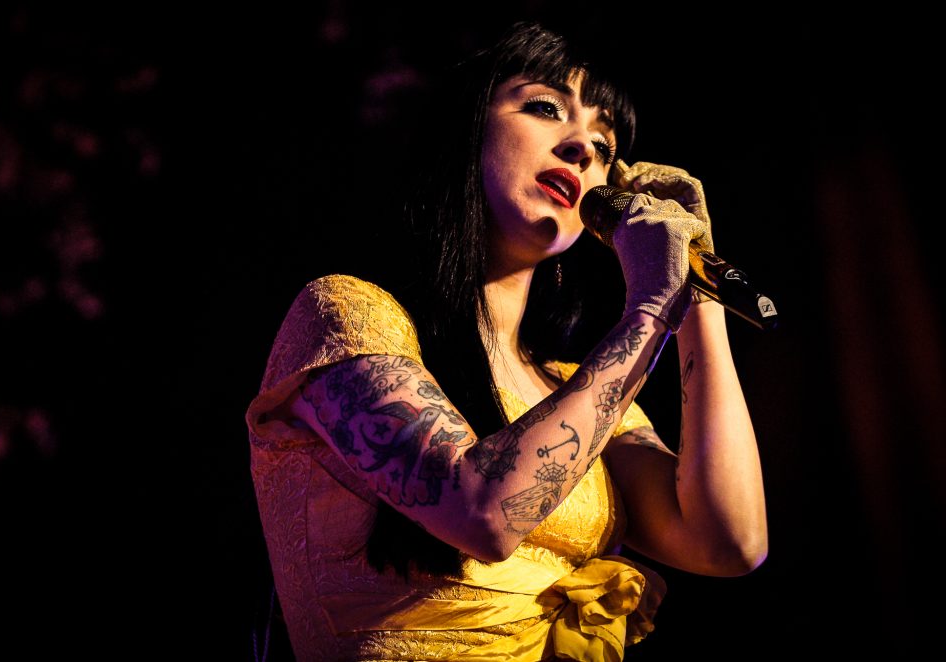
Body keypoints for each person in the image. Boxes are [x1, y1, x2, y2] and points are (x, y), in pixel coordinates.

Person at [245, 21, 767, 661]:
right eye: (546, 108)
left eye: (605, 145)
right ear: (465, 129)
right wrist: (650, 310)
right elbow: (483, 514)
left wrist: (696, 293)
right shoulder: (345, 314)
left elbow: (729, 542)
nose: (583, 147)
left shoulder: (574, 386)